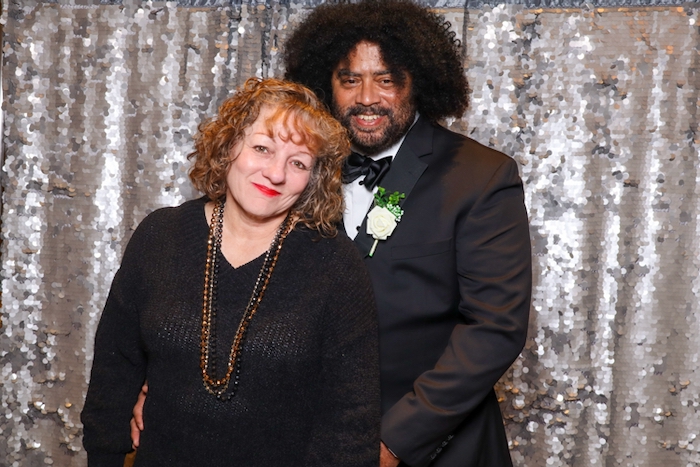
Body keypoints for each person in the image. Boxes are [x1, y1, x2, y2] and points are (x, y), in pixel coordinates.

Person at [81, 77, 380, 467]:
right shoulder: (161, 236)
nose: (276, 173)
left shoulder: (335, 263)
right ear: (229, 146)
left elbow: (352, 420)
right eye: (262, 148)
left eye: (298, 163)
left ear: (313, 179)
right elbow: (114, 371)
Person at [284, 1, 532, 466]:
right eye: (349, 79)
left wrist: (395, 442)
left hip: (441, 448)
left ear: (419, 80)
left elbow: (494, 328)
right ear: (325, 84)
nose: (367, 98)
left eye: (387, 79)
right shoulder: (295, 170)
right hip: (311, 441)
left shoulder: (481, 176)